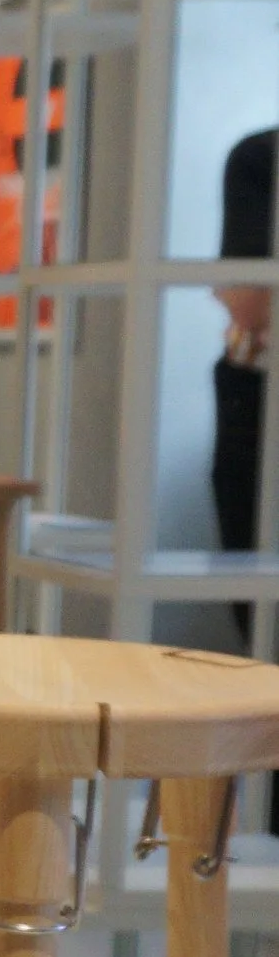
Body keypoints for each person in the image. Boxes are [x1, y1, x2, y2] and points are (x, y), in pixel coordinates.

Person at [213, 123, 273, 642]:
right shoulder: (262, 157)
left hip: (259, 383)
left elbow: (247, 300)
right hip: (256, 385)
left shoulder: (262, 156)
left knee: (261, 614)